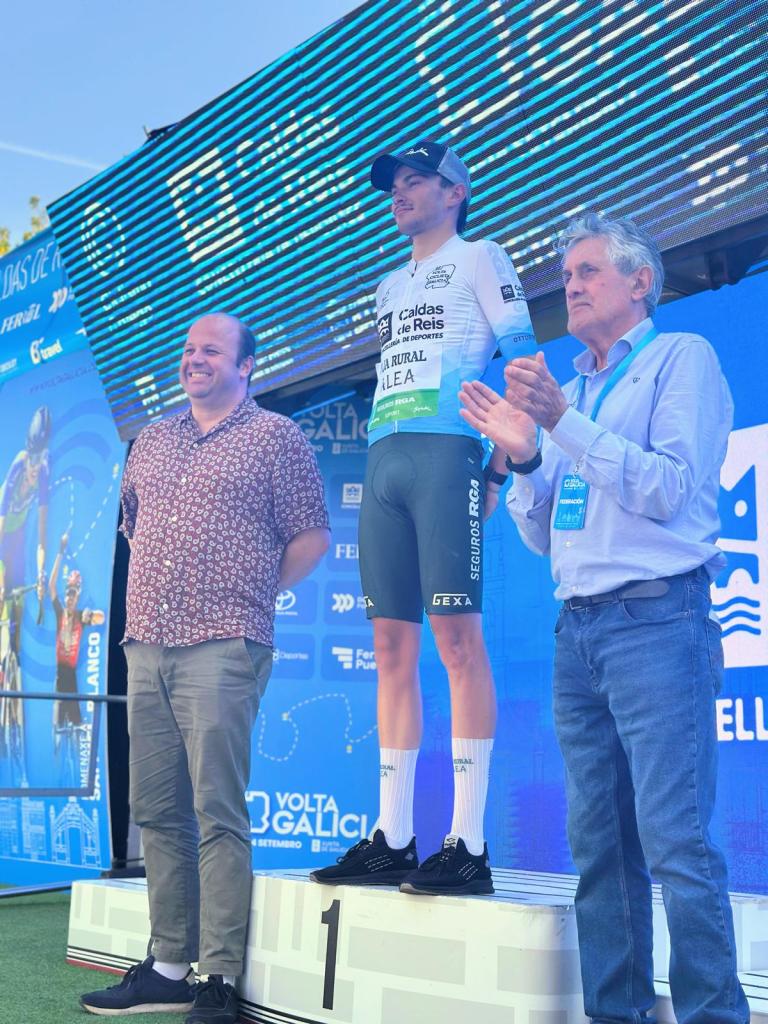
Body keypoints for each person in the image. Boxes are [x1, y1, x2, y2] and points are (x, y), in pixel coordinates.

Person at [459, 213, 749, 1024]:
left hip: (659, 623)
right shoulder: (576, 388)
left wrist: (558, 424)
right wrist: (524, 457)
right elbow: (542, 533)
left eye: (588, 271)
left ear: (640, 282)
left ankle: (713, 1016)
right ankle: (616, 1013)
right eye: (567, 275)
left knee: (677, 842)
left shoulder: (679, 359)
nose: (571, 286)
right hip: (577, 632)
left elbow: (666, 488)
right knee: (598, 846)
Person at [80, 313, 330, 1023]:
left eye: (211, 351)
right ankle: (167, 966)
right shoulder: (152, 440)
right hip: (145, 644)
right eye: (189, 349)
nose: (194, 359)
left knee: (217, 810)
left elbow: (312, 536)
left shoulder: (275, 437)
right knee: (157, 812)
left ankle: (218, 977)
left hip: (224, 644)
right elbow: (135, 529)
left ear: (246, 366)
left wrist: (248, 595)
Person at [311, 140, 536, 896]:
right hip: (385, 457)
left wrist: (497, 469)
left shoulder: (481, 256)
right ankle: (394, 836)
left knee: (458, 642)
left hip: (446, 455)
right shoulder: (387, 285)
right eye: (395, 184)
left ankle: (468, 842)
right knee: (389, 649)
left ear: (455, 192)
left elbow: (525, 366)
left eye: (417, 180)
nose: (400, 192)